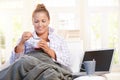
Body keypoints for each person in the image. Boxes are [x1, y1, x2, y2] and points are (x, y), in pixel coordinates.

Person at [0, 4, 73, 80]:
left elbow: (68, 62)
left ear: (49, 21)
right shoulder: (26, 39)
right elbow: (13, 63)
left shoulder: (59, 40)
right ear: (32, 22)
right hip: (30, 70)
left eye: (43, 21)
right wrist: (21, 43)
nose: (40, 25)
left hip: (52, 68)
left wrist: (49, 50)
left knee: (50, 74)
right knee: (24, 62)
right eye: (36, 21)